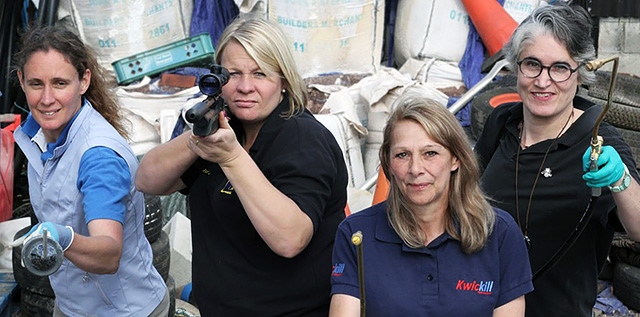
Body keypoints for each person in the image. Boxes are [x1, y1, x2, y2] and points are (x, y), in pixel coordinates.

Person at [135, 16, 349, 316]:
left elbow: (290, 239)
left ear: (283, 81)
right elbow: (148, 180)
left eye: (260, 73)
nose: (245, 87)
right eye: (233, 74)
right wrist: (197, 138)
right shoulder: (226, 126)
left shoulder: (303, 139)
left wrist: (232, 157)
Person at [474, 2, 640, 316]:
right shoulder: (500, 124)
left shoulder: (597, 142)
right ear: (515, 65)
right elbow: (465, 198)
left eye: (560, 68)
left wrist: (621, 181)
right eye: (532, 64)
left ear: (580, 75)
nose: (543, 80)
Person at [329, 88, 534, 316]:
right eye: (402, 155)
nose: (416, 169)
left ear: (456, 159)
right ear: (388, 164)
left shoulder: (499, 233)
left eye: (430, 154)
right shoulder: (357, 234)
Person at [10, 24, 169, 316]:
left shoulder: (98, 158)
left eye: (60, 83)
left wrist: (63, 237)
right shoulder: (36, 137)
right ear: (21, 81)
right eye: (36, 84)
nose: (46, 99)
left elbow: (108, 253)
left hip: (123, 311)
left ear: (84, 81)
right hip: (73, 305)